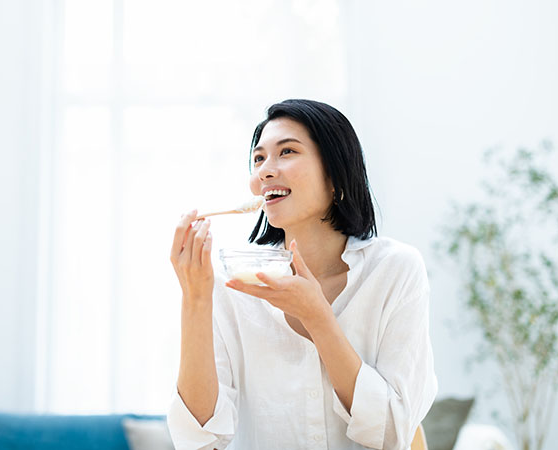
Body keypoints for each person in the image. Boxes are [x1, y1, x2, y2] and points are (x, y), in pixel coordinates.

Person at [167, 99, 437, 450]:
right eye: (259, 158)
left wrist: (317, 316)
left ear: (336, 174)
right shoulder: (231, 284)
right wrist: (196, 299)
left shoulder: (395, 271)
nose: (264, 171)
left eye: (287, 152)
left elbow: (392, 434)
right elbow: (200, 439)